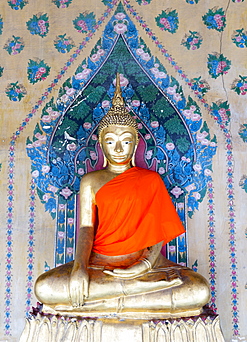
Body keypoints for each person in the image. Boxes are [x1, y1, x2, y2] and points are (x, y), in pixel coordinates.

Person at [34, 74, 210, 318]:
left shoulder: (150, 180)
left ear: (136, 143)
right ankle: (135, 292)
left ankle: (115, 293)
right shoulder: (91, 182)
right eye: (111, 141)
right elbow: (86, 228)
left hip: (146, 265)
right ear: (102, 145)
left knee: (198, 290)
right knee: (45, 287)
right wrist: (79, 268)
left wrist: (145, 264)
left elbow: (159, 229)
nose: (118, 148)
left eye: (125, 142)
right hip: (99, 264)